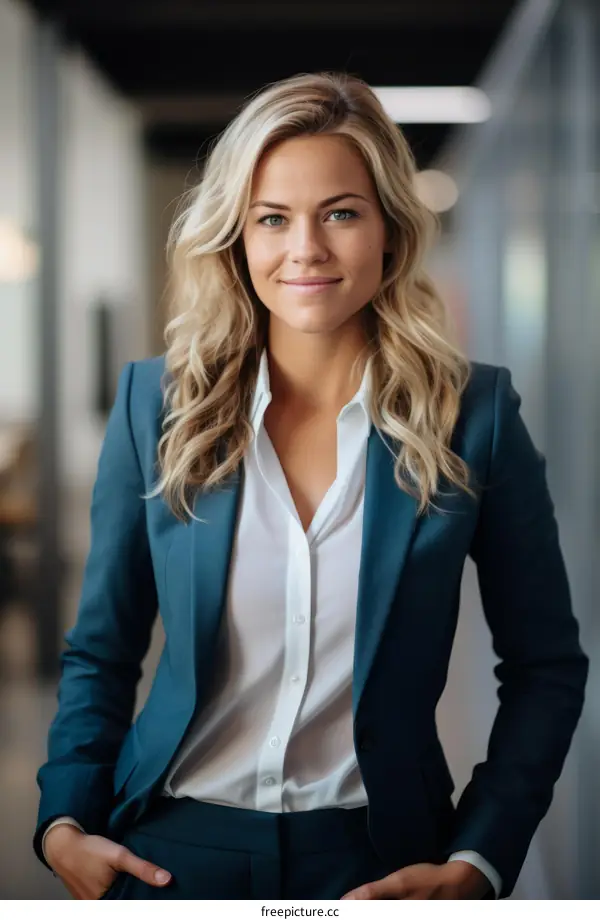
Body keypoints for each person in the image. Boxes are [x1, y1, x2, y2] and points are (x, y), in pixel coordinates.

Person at [35, 72, 588, 900]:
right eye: (272, 218)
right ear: (236, 235)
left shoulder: (474, 416)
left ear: (390, 230)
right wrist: (64, 823)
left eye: (341, 213)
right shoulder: (157, 406)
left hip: (379, 859)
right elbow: (102, 650)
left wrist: (479, 858)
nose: (306, 249)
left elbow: (545, 665)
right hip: (172, 850)